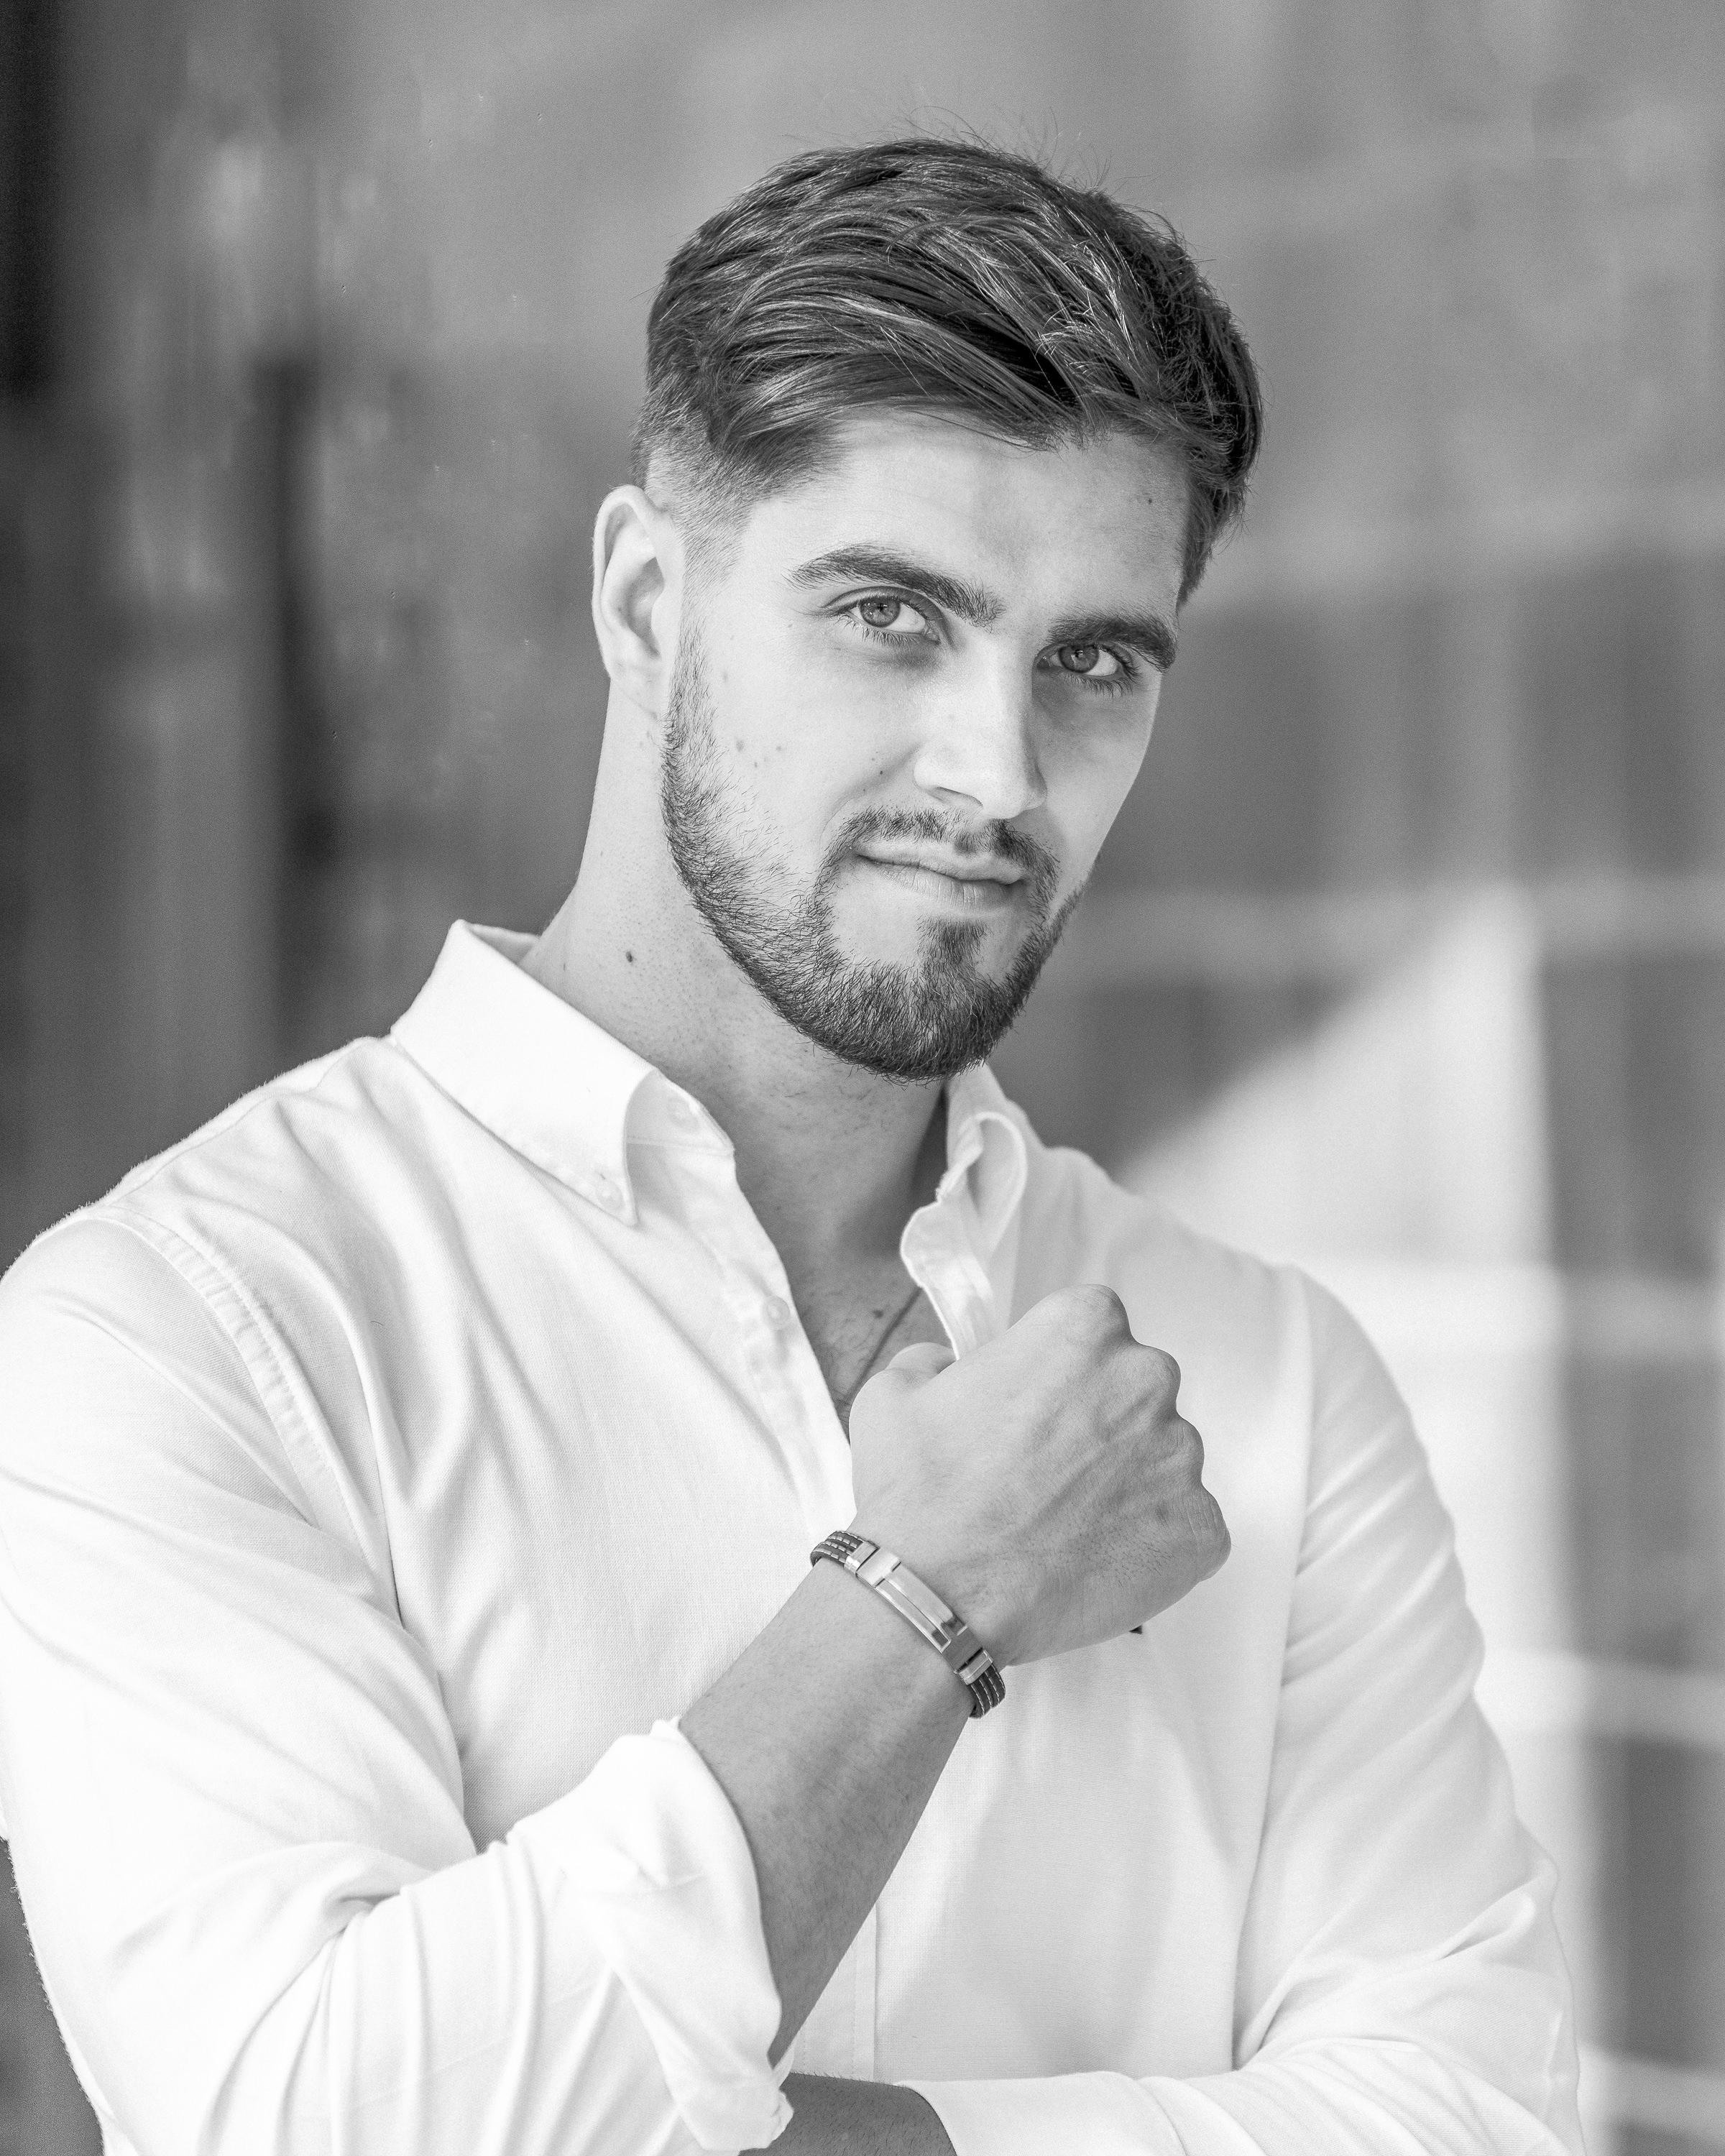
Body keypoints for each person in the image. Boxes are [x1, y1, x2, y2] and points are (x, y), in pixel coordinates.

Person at [0, 138, 1580, 2156]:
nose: (997, 775)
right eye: (893, 617)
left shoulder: (1265, 1380)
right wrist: (927, 1596)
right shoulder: (191, 1332)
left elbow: (1468, 2121)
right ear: (646, 597)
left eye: (1091, 663)